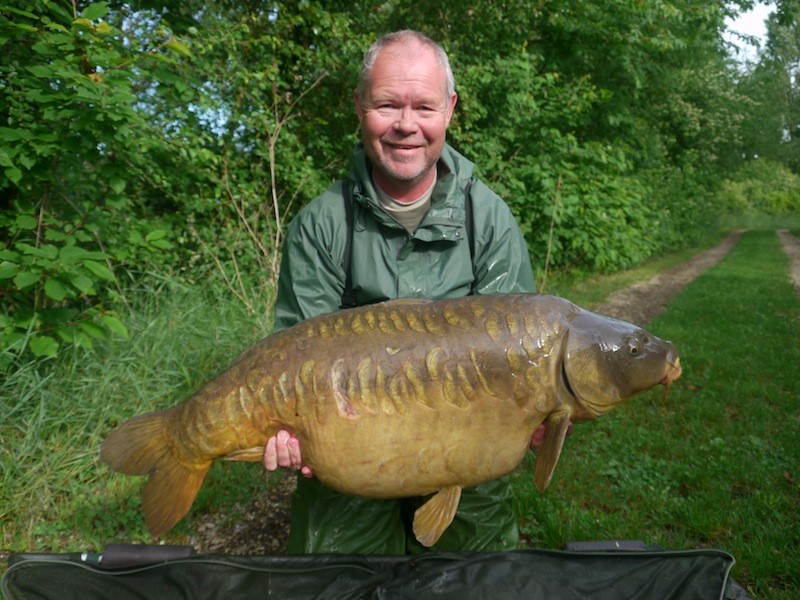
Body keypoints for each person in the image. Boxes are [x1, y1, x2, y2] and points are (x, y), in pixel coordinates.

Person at [263, 30, 539, 555]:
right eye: (387, 104)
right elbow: (291, 358)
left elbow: (520, 362)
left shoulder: (489, 220)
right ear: (359, 106)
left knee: (476, 583)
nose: (406, 125)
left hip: (467, 447)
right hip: (351, 452)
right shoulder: (321, 224)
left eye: (424, 107)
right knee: (339, 582)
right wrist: (285, 429)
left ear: (450, 110)